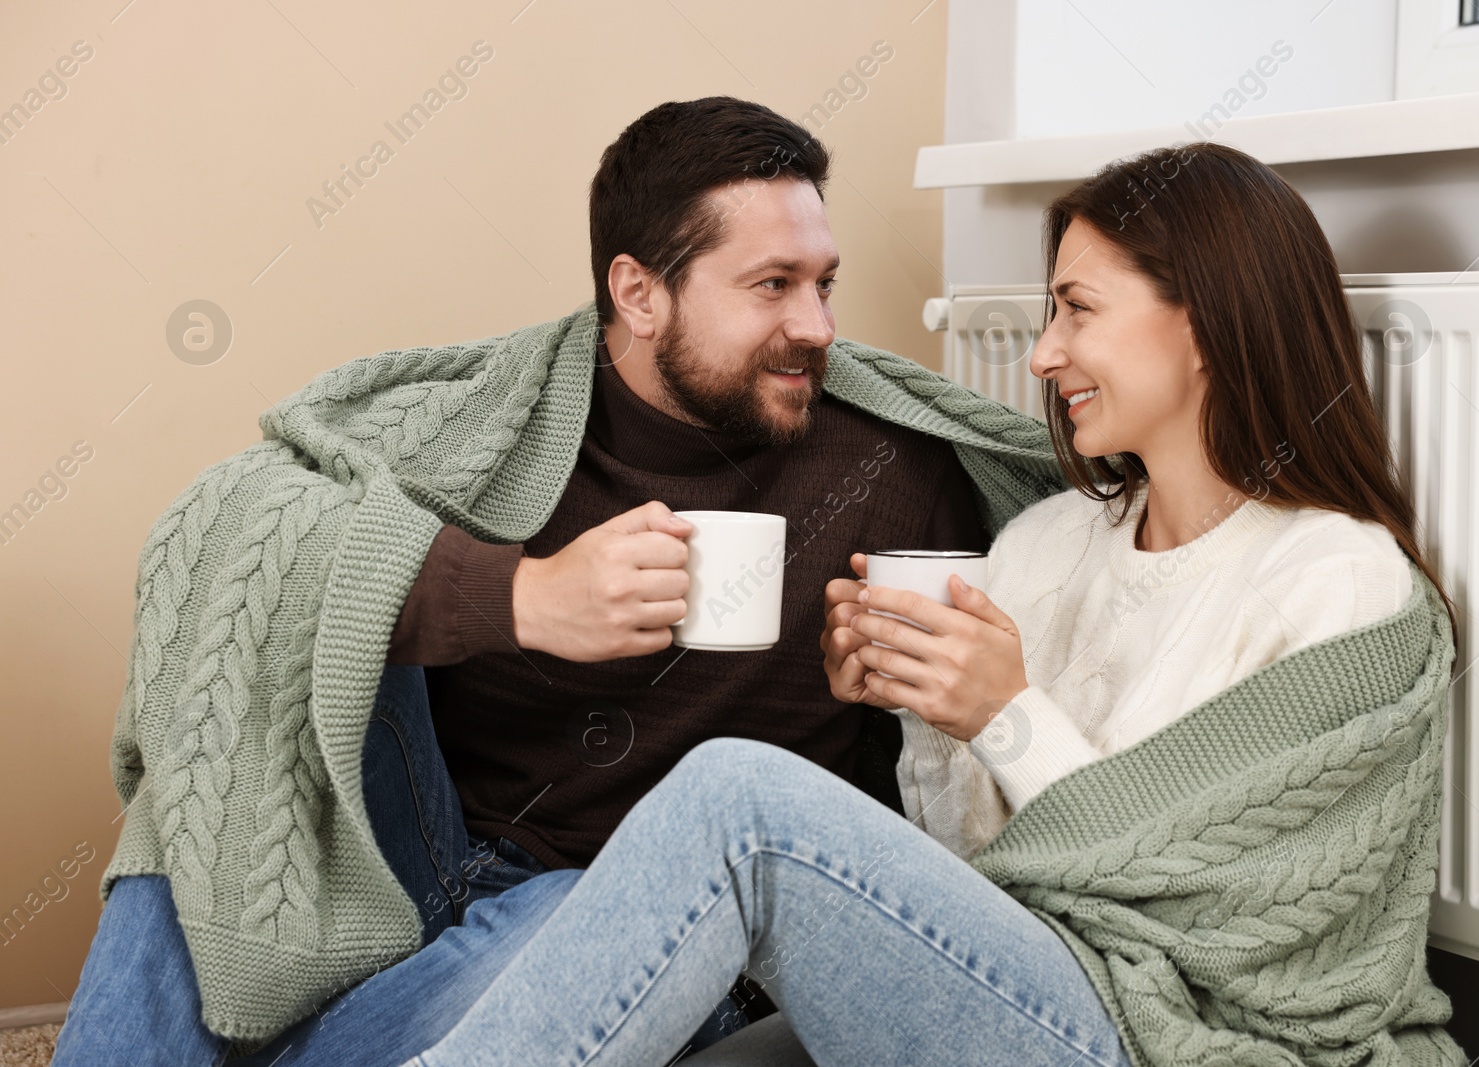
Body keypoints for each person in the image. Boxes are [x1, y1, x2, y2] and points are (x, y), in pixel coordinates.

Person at [393, 143, 1470, 1066]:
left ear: (1203, 325)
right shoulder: (1049, 544)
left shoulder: (1338, 584)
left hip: (1162, 1035)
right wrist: (918, 708)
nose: (1044, 355)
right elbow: (973, 877)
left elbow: (1222, 930)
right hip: (1011, 985)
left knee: (737, 798)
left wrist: (1006, 712)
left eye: (1076, 310)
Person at [52, 98, 1065, 1066]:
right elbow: (230, 527)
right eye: (771, 285)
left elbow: (906, 820)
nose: (817, 327)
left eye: (823, 282)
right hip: (429, 844)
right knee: (222, 756)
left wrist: (905, 691)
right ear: (637, 292)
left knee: (554, 946)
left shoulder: (893, 474)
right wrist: (525, 596)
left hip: (631, 903)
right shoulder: (499, 424)